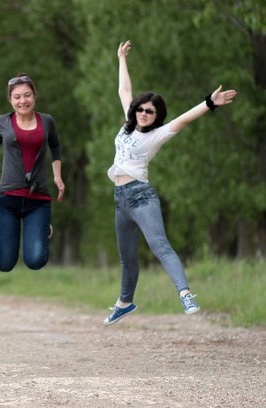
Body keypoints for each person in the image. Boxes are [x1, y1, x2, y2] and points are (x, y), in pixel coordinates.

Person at [103, 41, 237, 325]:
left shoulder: (157, 135)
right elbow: (123, 90)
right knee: (127, 259)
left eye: (150, 112)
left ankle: (186, 294)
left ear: (156, 117)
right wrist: (121, 59)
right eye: (141, 109)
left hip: (141, 197)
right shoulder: (128, 124)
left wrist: (210, 103)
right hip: (120, 200)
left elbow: (184, 119)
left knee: (160, 246)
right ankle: (124, 303)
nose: (143, 113)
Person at [0, 74, 65, 272]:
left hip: (38, 198)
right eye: (17, 97)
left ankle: (41, 227)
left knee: (35, 261)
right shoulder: (3, 122)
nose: (22, 101)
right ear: (10, 100)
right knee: (4, 264)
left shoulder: (47, 121)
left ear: (34, 96)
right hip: (8, 197)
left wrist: (57, 176)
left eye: (27, 95)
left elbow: (55, 146)